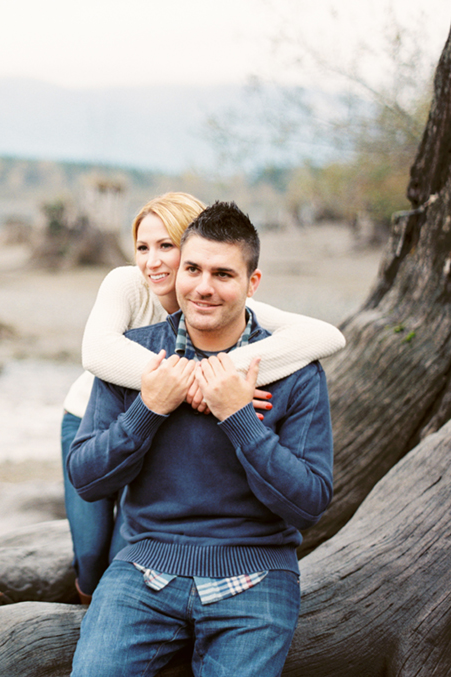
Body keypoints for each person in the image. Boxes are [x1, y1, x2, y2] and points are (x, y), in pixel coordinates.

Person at [67, 201, 334, 677]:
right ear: (178, 272)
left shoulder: (294, 371)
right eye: (192, 269)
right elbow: (86, 480)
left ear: (252, 284)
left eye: (223, 274)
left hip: (256, 575)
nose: (204, 287)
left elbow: (310, 504)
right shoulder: (134, 357)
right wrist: (149, 410)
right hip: (143, 569)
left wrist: (239, 418)